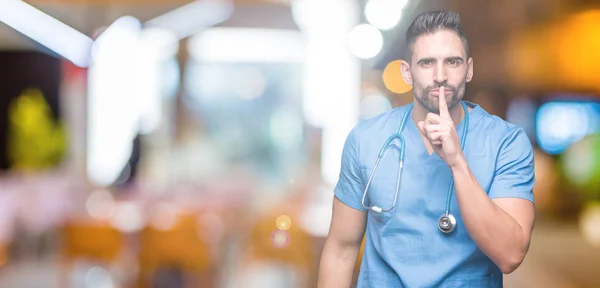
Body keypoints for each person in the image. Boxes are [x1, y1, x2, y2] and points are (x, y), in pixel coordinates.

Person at [317, 10, 535, 288]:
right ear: (407, 72)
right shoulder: (366, 139)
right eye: (427, 62)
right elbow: (340, 252)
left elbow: (511, 254)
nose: (440, 75)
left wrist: (457, 163)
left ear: (469, 69)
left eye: (452, 62)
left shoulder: (507, 142)